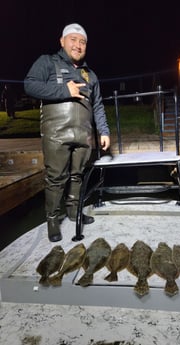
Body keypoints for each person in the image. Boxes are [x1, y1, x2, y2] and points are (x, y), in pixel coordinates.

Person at [24, 23, 110, 242]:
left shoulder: (90, 74)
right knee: (55, 178)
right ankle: (52, 219)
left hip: (83, 136)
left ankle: (73, 211)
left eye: (82, 42)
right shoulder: (47, 62)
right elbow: (30, 85)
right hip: (56, 135)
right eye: (73, 39)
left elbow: (98, 105)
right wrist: (64, 90)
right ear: (62, 41)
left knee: (77, 175)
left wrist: (104, 131)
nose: (78, 45)